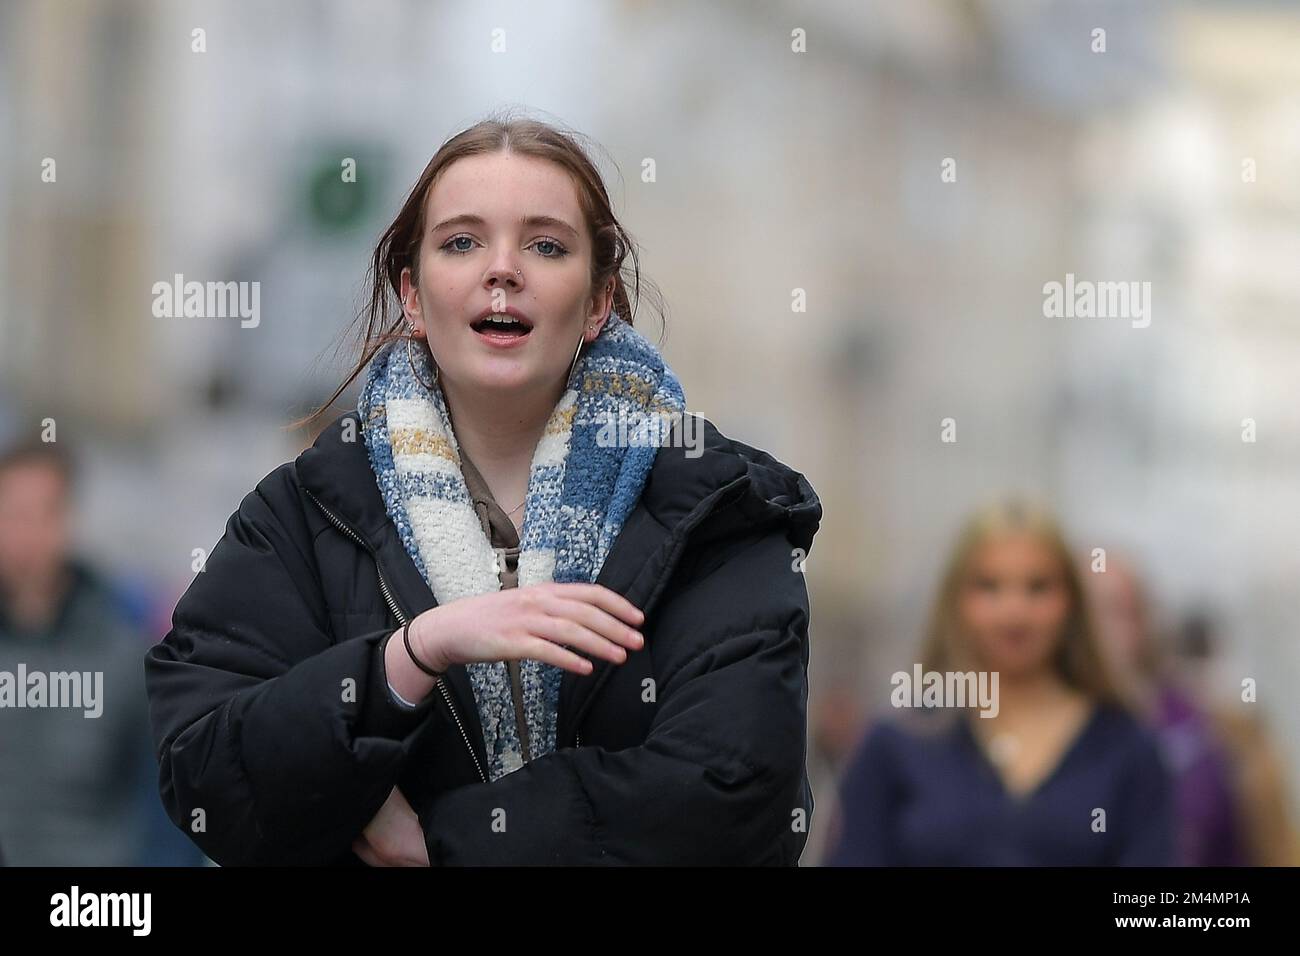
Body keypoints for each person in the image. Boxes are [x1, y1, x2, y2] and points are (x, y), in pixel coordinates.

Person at [143, 115, 823, 866]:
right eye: (462, 242)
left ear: (598, 300)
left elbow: (735, 799)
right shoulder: (305, 516)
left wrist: (445, 847)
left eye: (547, 245)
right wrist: (409, 657)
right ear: (411, 294)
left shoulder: (716, 509)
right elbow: (207, 777)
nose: (502, 270)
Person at [824, 499, 1175, 866]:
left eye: (1038, 588)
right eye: (989, 587)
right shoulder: (899, 741)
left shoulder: (1127, 746)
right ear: (955, 600)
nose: (1014, 612)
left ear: (1071, 602)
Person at [0, 440, 152, 865]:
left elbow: (160, 790)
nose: (24, 534)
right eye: (12, 514)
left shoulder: (122, 648)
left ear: (67, 520)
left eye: (41, 514)